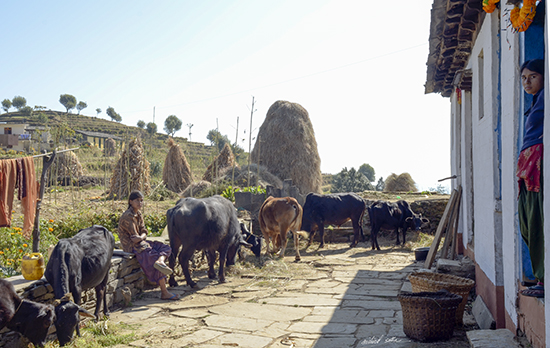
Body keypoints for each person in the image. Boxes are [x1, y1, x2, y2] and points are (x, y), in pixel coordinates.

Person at [118, 190, 179, 300]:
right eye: (137, 200)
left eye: (141, 201)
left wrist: (142, 237)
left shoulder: (139, 214)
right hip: (132, 246)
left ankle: (160, 261)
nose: (140, 203)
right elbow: (135, 238)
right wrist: (142, 237)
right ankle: (164, 292)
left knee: (165, 247)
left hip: (141, 243)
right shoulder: (128, 216)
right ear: (130, 201)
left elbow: (144, 231)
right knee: (153, 256)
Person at [517, 59, 545, 298]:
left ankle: (543, 280)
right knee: (526, 221)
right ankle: (538, 275)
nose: (527, 82)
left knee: (537, 220)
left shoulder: (546, 97)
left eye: (532, 76)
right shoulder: (537, 100)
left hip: (538, 165)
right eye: (524, 78)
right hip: (528, 165)